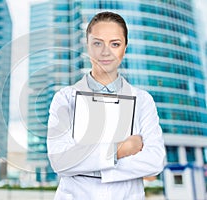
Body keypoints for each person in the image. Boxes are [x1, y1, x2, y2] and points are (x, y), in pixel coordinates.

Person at [47, 11, 165, 199]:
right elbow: (59, 160)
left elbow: (155, 161)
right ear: (87, 46)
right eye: (97, 43)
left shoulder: (143, 100)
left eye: (115, 44)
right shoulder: (64, 99)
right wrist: (122, 150)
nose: (105, 52)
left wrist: (86, 165)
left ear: (125, 48)